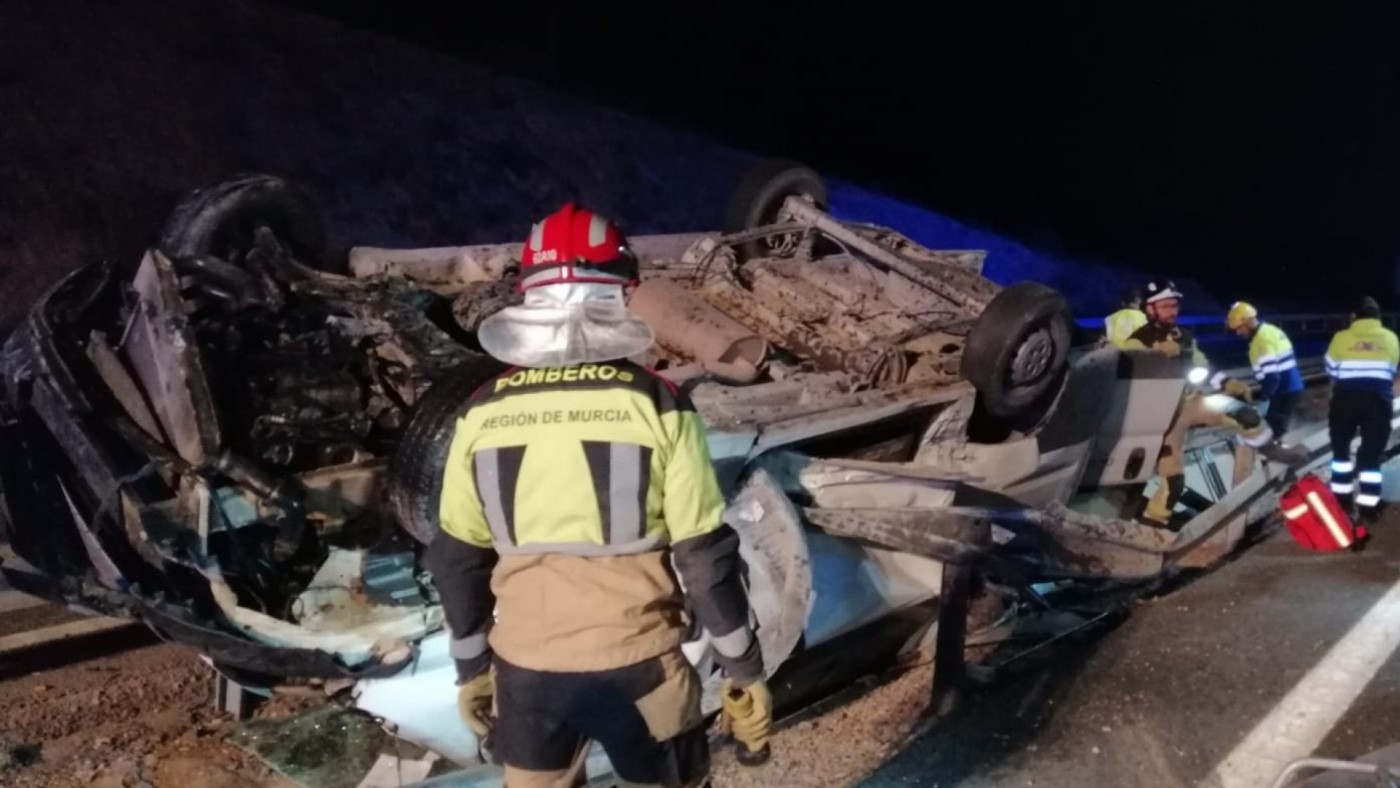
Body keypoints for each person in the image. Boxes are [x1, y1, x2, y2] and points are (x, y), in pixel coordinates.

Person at [425, 203, 769, 788]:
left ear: (528, 295)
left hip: (527, 679)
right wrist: (744, 668)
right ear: (622, 293)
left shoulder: (483, 409)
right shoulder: (659, 403)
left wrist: (471, 669)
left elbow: (456, 556)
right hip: (643, 669)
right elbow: (703, 553)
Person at [1121, 280, 1285, 526]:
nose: (1172, 311)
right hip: (1164, 415)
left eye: (1174, 305)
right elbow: (1125, 375)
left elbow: (1203, 367)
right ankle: (1153, 528)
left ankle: (1247, 492)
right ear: (1150, 309)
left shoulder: (1184, 336)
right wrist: (1154, 356)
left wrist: (1228, 383)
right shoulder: (1136, 341)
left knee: (1247, 416)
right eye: (1165, 306)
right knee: (1174, 482)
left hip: (1191, 402)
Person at [1324, 296, 1399, 522]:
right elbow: (1392, 368)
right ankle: (1368, 506)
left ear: (1353, 317)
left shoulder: (1341, 337)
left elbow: (1330, 368)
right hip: (1378, 401)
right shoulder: (1391, 338)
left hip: (1345, 400)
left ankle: (1342, 501)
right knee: (1371, 455)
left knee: (1340, 453)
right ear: (1378, 317)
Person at [1225, 301, 1304, 438]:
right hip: (1290, 386)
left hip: (1282, 390)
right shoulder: (1269, 330)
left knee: (1270, 430)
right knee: (1275, 427)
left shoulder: (1262, 340)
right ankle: (1276, 449)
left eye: (1239, 328)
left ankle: (1277, 454)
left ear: (1249, 322)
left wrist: (1265, 400)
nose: (1238, 333)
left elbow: (1272, 378)